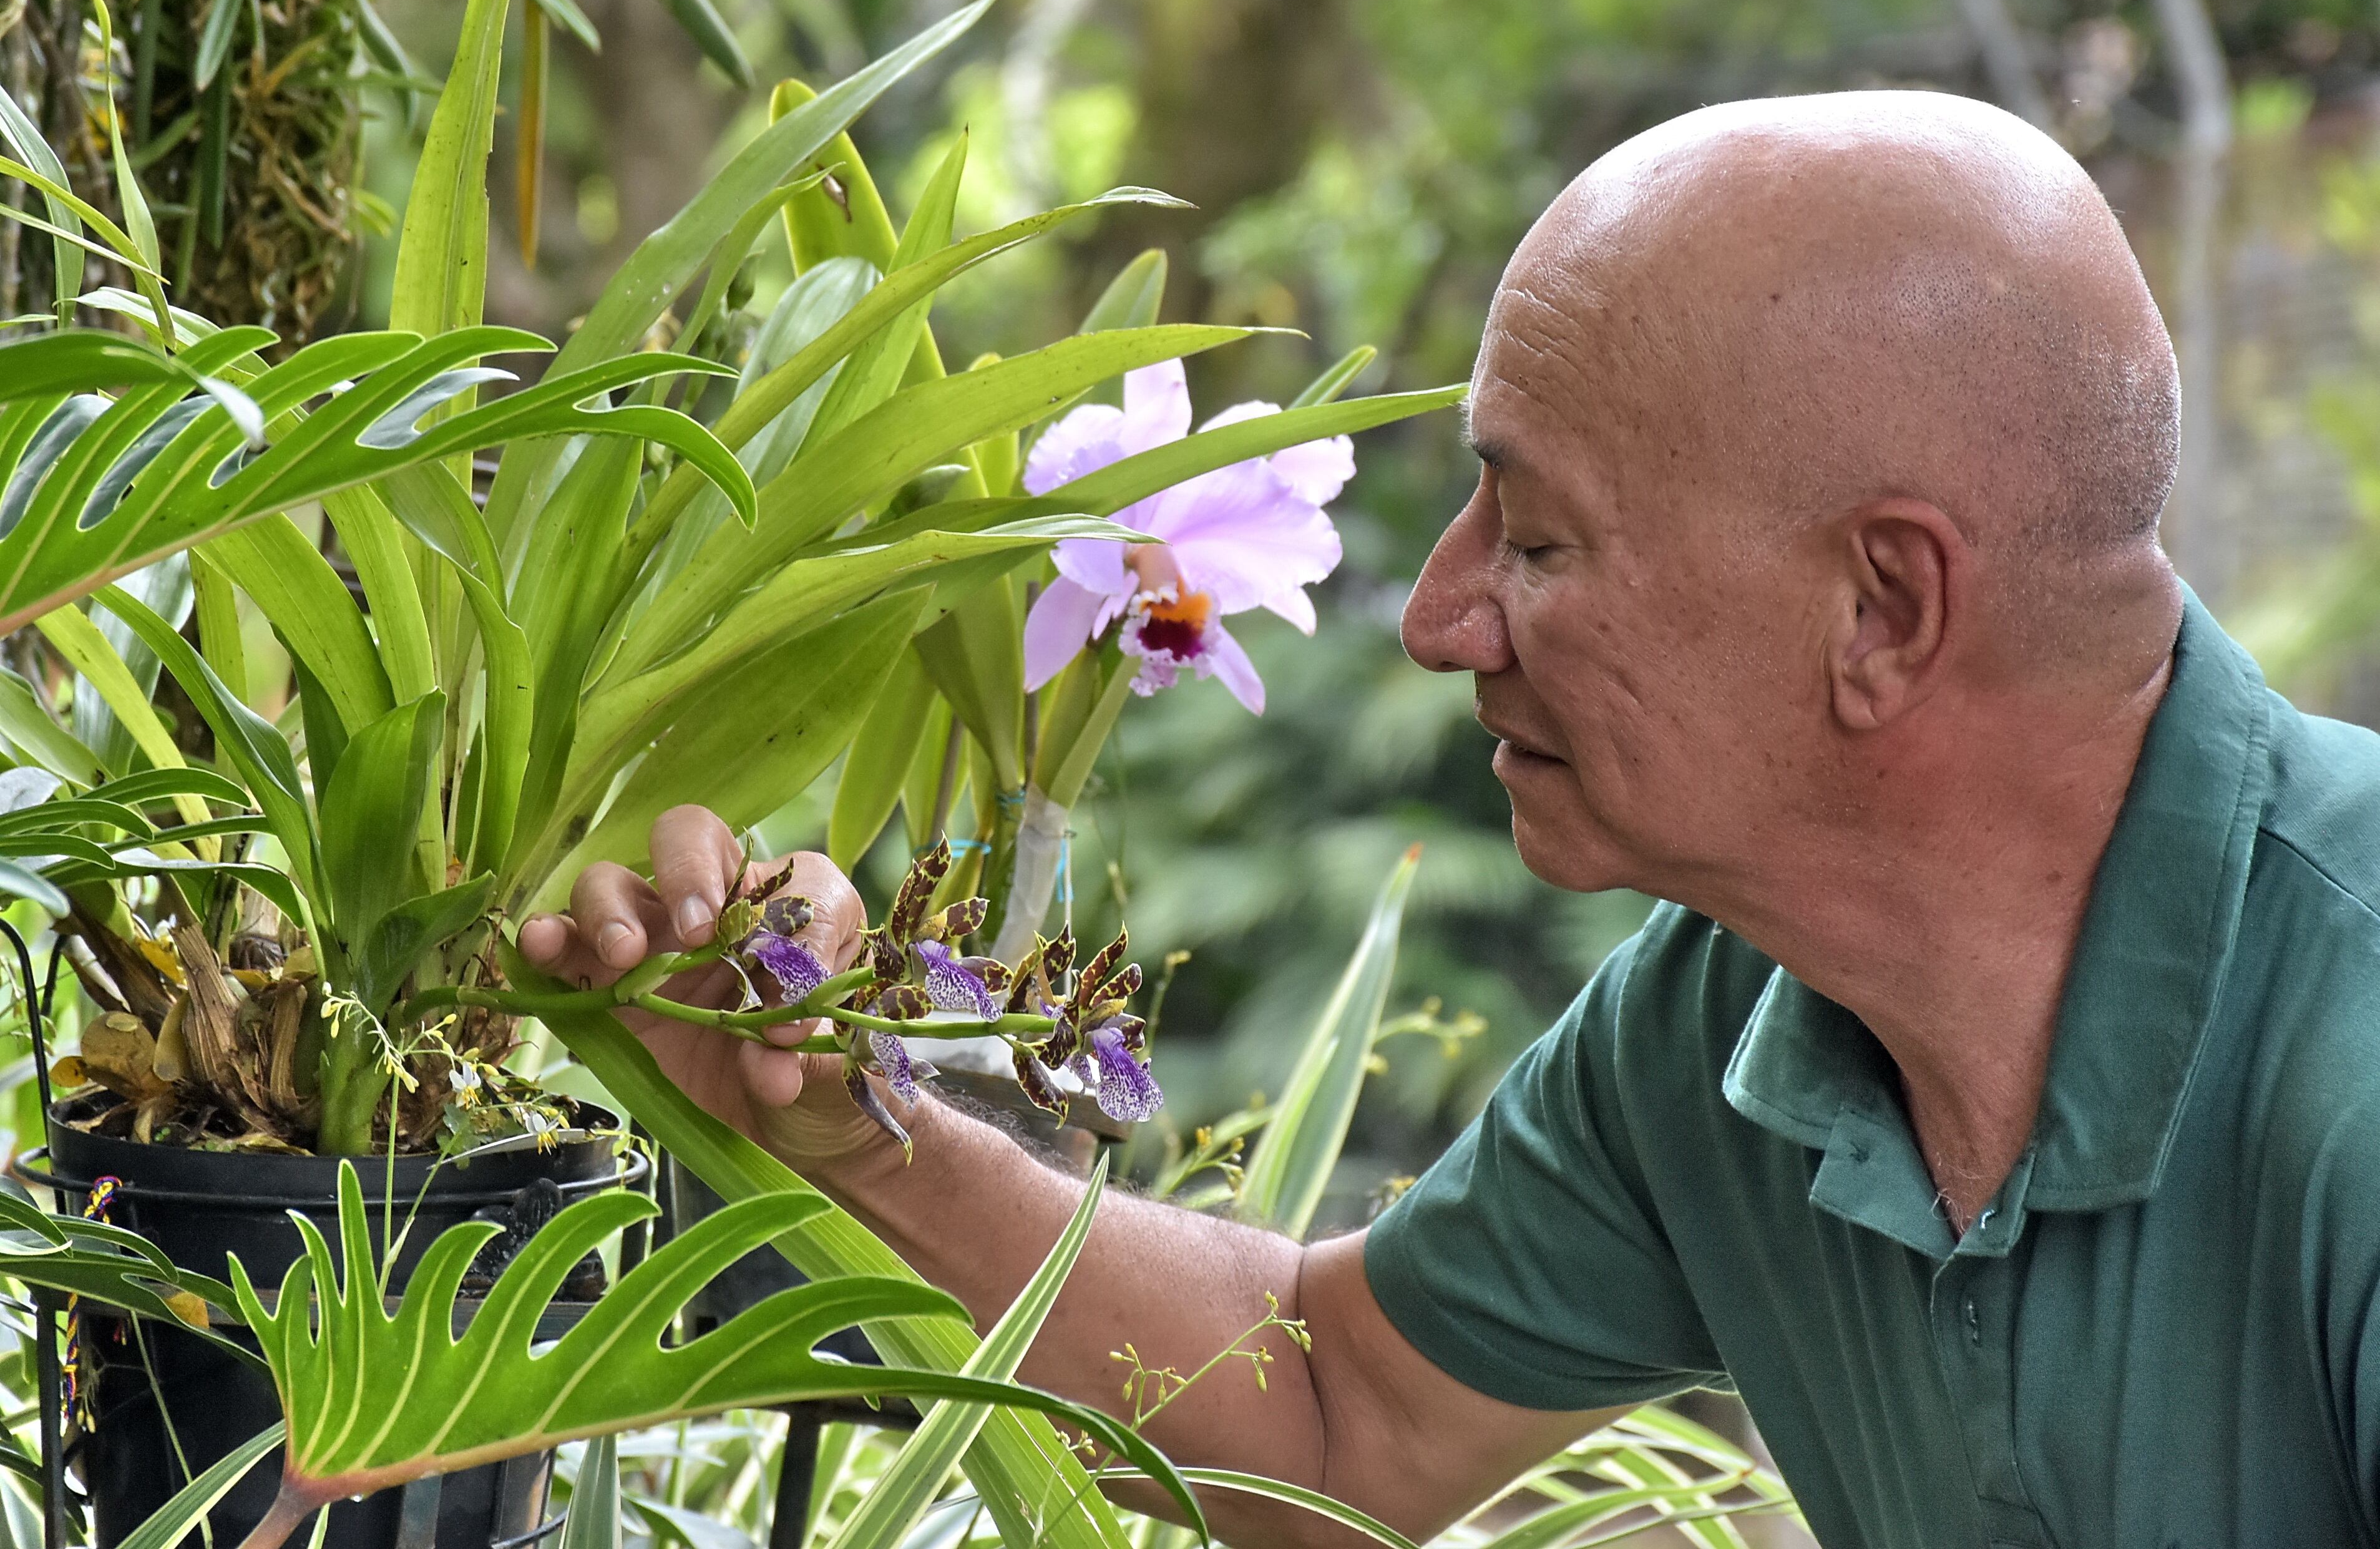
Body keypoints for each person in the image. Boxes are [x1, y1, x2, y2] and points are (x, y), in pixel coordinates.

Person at [521, 89, 2380, 1548]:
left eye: (1540, 535)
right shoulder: (1732, 1015)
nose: (1435, 618)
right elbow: (1336, 1416)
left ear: (1883, 611)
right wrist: (851, 1113)